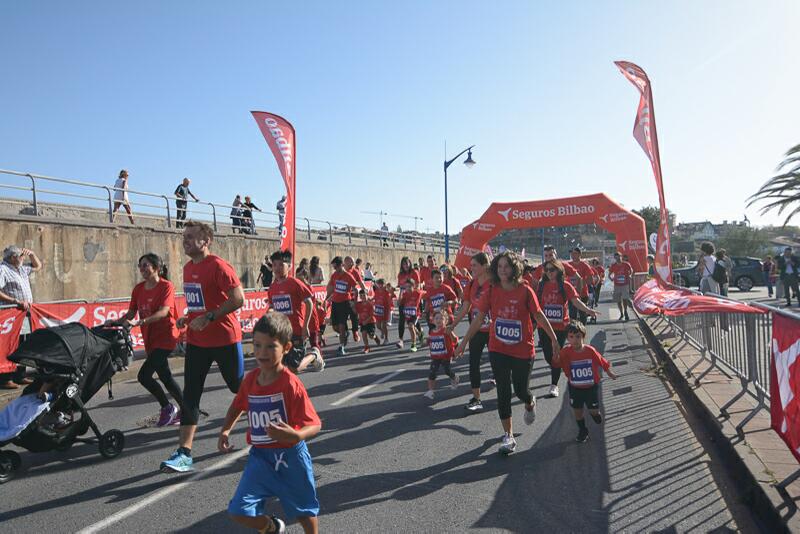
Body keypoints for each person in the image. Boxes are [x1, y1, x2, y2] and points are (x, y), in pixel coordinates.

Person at [219, 311, 321, 534]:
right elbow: (238, 405)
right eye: (257, 345)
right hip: (260, 458)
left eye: (270, 346)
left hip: (291, 457)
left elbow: (314, 423)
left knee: (304, 511)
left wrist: (297, 436)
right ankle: (271, 527)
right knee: (239, 510)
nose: (261, 352)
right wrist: (226, 430)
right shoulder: (251, 379)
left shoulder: (290, 384)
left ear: (286, 348)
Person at [455, 251, 561, 455]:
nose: (503, 270)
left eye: (507, 266)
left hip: (522, 350)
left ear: (515, 268)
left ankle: (530, 402)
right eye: (500, 266)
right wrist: (464, 342)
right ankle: (508, 436)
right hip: (498, 349)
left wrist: (554, 340)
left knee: (521, 391)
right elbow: (478, 319)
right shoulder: (492, 290)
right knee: (503, 391)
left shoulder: (525, 290)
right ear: (495, 269)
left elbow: (538, 315)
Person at [160, 220, 245, 473]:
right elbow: (201, 302)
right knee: (190, 395)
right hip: (198, 341)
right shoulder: (187, 268)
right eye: (184, 236)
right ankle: (184, 454)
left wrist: (209, 317)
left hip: (225, 339)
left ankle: (275, 419)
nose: (185, 240)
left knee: (238, 387)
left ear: (205, 241)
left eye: (190, 237)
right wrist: (190, 315)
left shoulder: (219, 266)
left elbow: (238, 298)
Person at [108, 253, 183, 426]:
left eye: (146, 265)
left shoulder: (166, 286)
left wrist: (142, 321)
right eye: (140, 266)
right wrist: (115, 322)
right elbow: (131, 313)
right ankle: (186, 408)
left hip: (166, 336)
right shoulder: (138, 289)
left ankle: (167, 408)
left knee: (143, 376)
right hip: (150, 337)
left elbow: (164, 311)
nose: (142, 269)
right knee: (166, 377)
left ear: (156, 268)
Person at [536, 259, 598, 398]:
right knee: (548, 355)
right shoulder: (541, 286)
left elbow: (575, 302)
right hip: (544, 326)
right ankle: (556, 365)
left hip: (560, 327)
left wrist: (588, 310)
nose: (549, 273)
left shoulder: (565, 286)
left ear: (559, 270)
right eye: (547, 270)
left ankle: (554, 385)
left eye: (552, 270)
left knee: (556, 354)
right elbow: (535, 307)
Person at [553, 321, 617, 443]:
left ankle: (595, 414)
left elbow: (601, 361)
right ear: (567, 338)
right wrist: (555, 357)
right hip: (575, 387)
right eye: (571, 337)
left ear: (583, 337)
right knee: (577, 411)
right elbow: (557, 363)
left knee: (593, 411)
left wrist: (609, 373)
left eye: (578, 336)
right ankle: (583, 431)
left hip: (590, 387)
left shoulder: (590, 350)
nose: (575, 340)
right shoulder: (566, 351)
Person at [267, 250, 324, 374]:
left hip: (297, 331)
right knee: (279, 365)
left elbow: (309, 303)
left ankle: (314, 354)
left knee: (294, 368)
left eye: (281, 265)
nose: (277, 268)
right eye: (274, 265)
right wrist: (268, 315)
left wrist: (305, 327)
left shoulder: (295, 283)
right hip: (281, 331)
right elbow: (272, 306)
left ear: (289, 266)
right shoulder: (272, 288)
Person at [451, 252, 492, 412]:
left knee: (497, 364)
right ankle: (476, 398)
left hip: (494, 331)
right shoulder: (471, 284)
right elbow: (465, 307)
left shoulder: (495, 283)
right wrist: (452, 324)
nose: (471, 268)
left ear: (484, 266)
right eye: (471, 265)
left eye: (474, 265)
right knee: (473, 363)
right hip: (477, 329)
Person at [0, 246, 42, 389]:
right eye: (21, 256)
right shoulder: (3, 269)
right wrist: (15, 301)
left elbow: (38, 266)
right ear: (12, 257)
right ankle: (6, 378)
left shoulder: (21, 268)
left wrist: (32, 254)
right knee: (10, 345)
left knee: (24, 344)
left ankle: (20, 375)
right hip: (11, 313)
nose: (23, 258)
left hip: (24, 313)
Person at [326, 256, 360, 356]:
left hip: (344, 303)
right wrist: (326, 299)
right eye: (334, 267)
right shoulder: (334, 275)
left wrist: (354, 302)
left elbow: (356, 289)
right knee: (335, 327)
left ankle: (341, 347)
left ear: (341, 265)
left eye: (336, 267)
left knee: (341, 326)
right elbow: (331, 288)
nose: (335, 269)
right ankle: (345, 334)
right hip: (335, 303)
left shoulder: (349, 276)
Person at [423, 311, 460, 400]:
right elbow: (431, 341)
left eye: (441, 318)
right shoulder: (432, 331)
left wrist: (451, 334)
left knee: (447, 370)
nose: (439, 320)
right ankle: (431, 391)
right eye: (436, 318)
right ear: (433, 321)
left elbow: (455, 341)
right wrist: (426, 342)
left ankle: (454, 377)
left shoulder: (446, 330)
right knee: (432, 372)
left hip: (445, 356)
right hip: (435, 357)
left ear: (446, 321)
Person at [397, 256, 421, 347]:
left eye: (407, 263)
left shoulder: (414, 272)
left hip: (413, 300)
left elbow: (418, 286)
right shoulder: (400, 275)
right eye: (403, 264)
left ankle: (419, 333)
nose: (405, 265)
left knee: (414, 320)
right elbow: (400, 288)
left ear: (410, 263)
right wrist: (399, 298)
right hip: (404, 299)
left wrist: (415, 297)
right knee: (402, 319)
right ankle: (401, 340)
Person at [343, 256, 367, 341]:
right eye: (351, 262)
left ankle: (355, 332)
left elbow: (361, 283)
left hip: (353, 296)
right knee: (343, 316)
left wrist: (365, 292)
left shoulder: (355, 272)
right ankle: (345, 332)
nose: (353, 264)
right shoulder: (342, 272)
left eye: (353, 262)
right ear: (345, 262)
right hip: (343, 297)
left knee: (354, 315)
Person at [567, 248, 593, 324]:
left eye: (574, 253)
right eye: (571, 253)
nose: (572, 255)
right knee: (572, 315)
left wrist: (581, 282)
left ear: (579, 254)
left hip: (583, 293)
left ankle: (582, 331)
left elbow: (590, 280)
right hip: (571, 294)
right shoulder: (568, 265)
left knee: (582, 314)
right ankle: (573, 332)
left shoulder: (585, 265)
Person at [398, 277, 424, 352]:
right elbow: (399, 303)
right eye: (406, 287)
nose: (408, 288)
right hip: (408, 314)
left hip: (416, 314)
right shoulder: (405, 294)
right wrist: (400, 293)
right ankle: (420, 334)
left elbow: (427, 293)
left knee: (410, 326)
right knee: (413, 328)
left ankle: (414, 345)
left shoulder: (418, 292)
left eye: (410, 287)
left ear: (414, 286)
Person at [609, 252, 634, 321]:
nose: (618, 258)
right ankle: (621, 313)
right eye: (616, 257)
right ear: (615, 258)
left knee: (625, 298)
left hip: (625, 284)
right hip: (617, 285)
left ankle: (625, 311)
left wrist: (630, 275)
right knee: (618, 300)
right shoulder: (613, 265)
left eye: (619, 257)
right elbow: (609, 273)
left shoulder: (626, 264)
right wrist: (610, 278)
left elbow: (631, 270)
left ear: (621, 257)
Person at [372, 278, 392, 344]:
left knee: (384, 325)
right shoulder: (377, 291)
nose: (380, 285)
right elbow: (374, 297)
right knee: (378, 325)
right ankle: (382, 331)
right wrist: (371, 300)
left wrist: (389, 311)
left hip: (385, 310)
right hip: (378, 310)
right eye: (379, 284)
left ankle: (386, 339)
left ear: (384, 285)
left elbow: (389, 301)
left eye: (382, 284)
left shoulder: (387, 293)